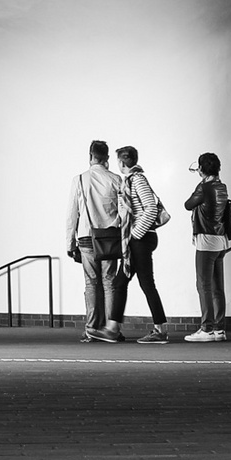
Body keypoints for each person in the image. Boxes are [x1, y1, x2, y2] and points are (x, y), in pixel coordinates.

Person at [65, 140, 132, 344]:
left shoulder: (79, 180)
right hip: (109, 238)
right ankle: (111, 329)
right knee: (110, 283)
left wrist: (70, 243)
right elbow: (124, 212)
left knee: (91, 284)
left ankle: (92, 329)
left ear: (90, 156)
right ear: (107, 158)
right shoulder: (116, 180)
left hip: (86, 238)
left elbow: (71, 214)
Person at [116, 146, 171, 344]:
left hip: (142, 238)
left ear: (122, 163)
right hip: (140, 238)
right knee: (121, 282)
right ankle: (112, 327)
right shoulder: (131, 180)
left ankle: (160, 330)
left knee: (146, 284)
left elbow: (150, 209)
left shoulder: (137, 179)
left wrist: (133, 235)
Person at [184, 152, 231, 342]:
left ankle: (207, 329)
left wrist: (200, 180)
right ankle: (219, 329)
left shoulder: (204, 187)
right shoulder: (222, 186)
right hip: (221, 240)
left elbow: (188, 205)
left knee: (203, 285)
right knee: (218, 286)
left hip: (206, 241)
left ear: (202, 169)